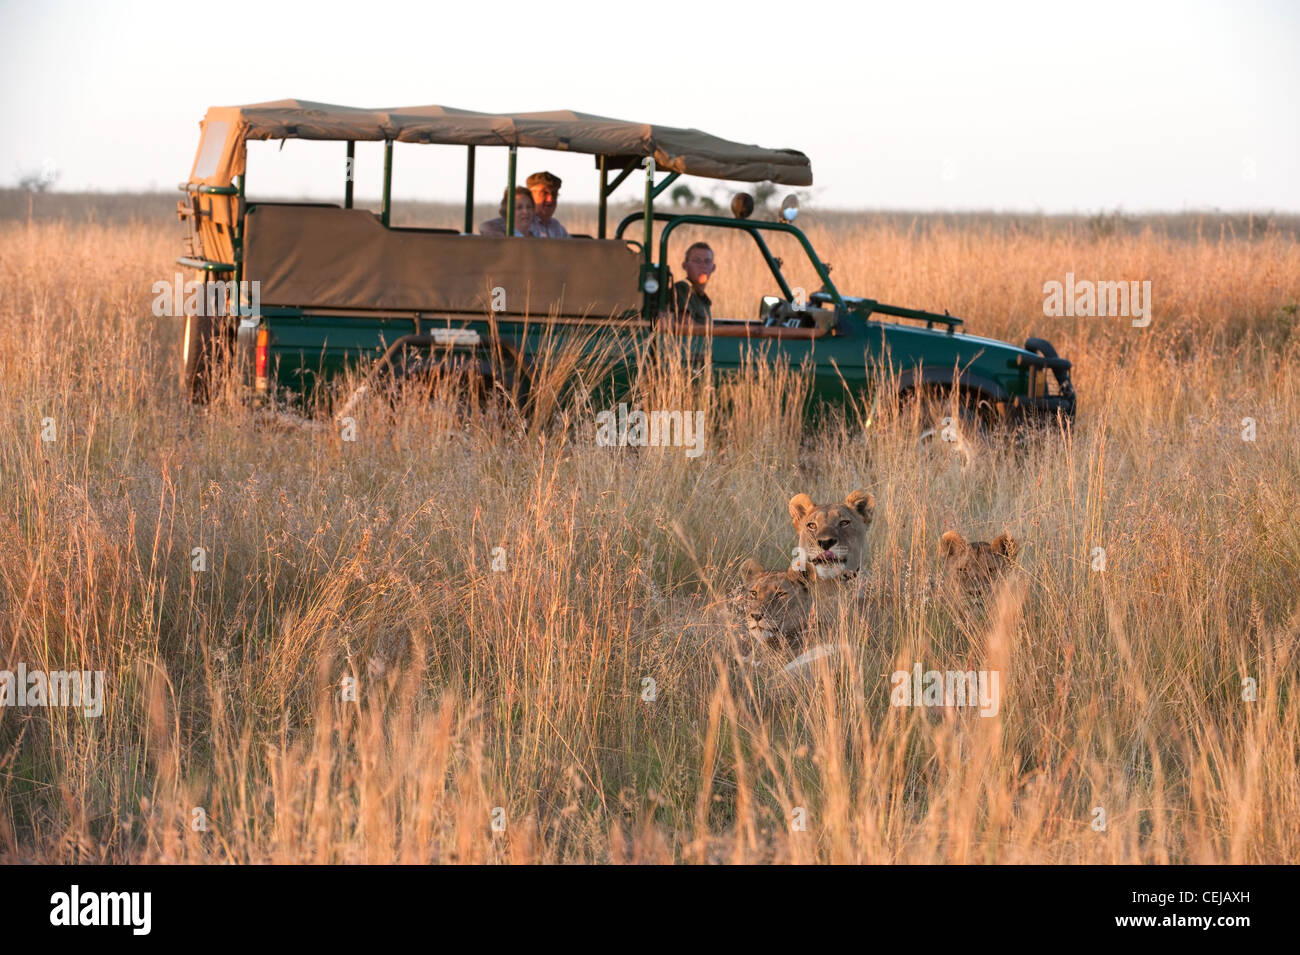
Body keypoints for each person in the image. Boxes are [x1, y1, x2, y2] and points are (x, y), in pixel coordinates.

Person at [669, 241, 715, 324]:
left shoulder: (701, 297)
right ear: (684, 266)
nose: (702, 265)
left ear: (713, 268)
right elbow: (686, 325)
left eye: (707, 261)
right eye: (697, 261)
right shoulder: (682, 288)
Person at [525, 171, 570, 238]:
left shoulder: (556, 227)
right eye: (544, 193)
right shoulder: (524, 224)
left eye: (554, 194)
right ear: (530, 196)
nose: (550, 199)